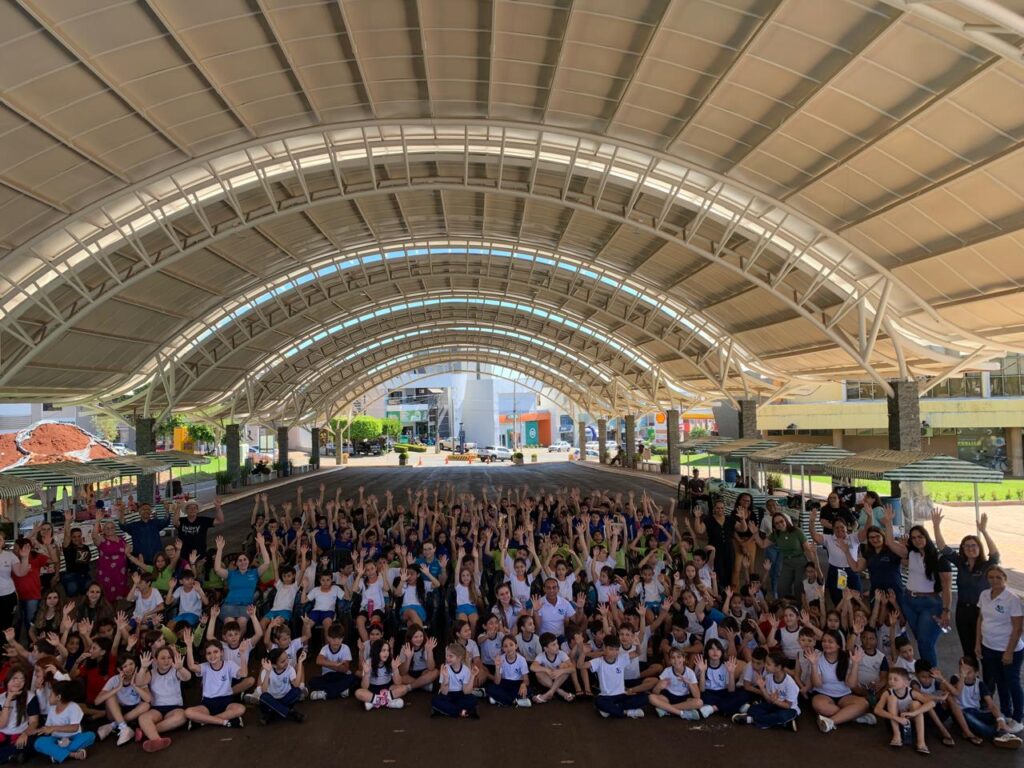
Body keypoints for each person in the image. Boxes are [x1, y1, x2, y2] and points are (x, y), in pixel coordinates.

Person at [932, 509, 1000, 660]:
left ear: (979, 547)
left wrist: (984, 531)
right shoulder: (961, 563)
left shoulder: (986, 566)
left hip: (981, 612)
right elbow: (943, 547)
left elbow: (995, 555)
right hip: (963, 611)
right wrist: (936, 526)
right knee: (968, 650)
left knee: (985, 648)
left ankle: (988, 674)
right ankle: (970, 674)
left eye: (974, 545)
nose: (970, 549)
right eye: (966, 546)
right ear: (962, 549)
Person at [976, 565, 1023, 732]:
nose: (994, 580)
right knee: (1000, 682)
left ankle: (1018, 718)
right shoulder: (984, 594)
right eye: (991, 577)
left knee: (1012, 682)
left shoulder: (1012, 599)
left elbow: (1017, 628)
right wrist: (978, 643)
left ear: (1005, 579)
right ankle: (1006, 713)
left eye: (998, 577)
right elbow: (981, 619)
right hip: (989, 647)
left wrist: (1009, 652)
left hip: (1009, 650)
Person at [900, 525, 952, 668]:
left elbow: (947, 587)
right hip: (909, 601)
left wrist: (946, 611)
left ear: (926, 537)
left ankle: (930, 675)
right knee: (922, 640)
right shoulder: (913, 554)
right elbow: (903, 561)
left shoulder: (939, 558)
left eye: (920, 537)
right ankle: (926, 673)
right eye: (913, 538)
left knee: (925, 642)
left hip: (930, 604)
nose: (917, 540)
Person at [182, 631, 246, 729]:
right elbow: (191, 666)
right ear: (206, 656)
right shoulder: (205, 667)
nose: (212, 656)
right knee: (188, 712)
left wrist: (242, 654)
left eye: (216, 652)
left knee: (241, 708)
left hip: (226, 702)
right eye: (209, 653)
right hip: (207, 703)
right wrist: (189, 646)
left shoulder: (229, 664)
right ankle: (225, 722)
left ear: (221, 652)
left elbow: (243, 673)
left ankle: (204, 721)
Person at [579, 635, 645, 719]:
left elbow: (638, 653)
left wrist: (638, 645)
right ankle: (627, 712)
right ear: (604, 648)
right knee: (599, 702)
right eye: (611, 649)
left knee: (645, 698)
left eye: (617, 650)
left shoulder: (622, 658)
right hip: (606, 696)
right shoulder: (598, 662)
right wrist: (583, 653)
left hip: (621, 695)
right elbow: (580, 666)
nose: (614, 653)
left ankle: (611, 709)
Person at [807, 509, 863, 607]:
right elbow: (814, 536)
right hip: (836, 572)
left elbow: (866, 531)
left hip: (851, 571)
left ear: (846, 528)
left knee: (857, 598)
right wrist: (812, 521)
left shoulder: (853, 538)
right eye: (836, 528)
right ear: (833, 529)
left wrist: (870, 517)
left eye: (842, 527)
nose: (839, 529)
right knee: (837, 599)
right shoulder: (828, 539)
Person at [31, 680, 95, 763]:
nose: (49, 696)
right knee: (38, 743)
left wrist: (53, 728)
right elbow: (48, 727)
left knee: (90, 735)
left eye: (51, 694)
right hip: (57, 739)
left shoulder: (74, 707)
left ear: (58, 697)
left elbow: (74, 728)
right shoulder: (52, 708)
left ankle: (57, 753)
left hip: (73, 738)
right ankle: (72, 754)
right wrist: (37, 730)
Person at [732, 652, 800, 730]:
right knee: (753, 709)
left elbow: (788, 705)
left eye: (768, 664)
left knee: (782, 716)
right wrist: (762, 688)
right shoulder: (769, 678)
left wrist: (775, 701)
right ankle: (783, 724)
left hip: (788, 709)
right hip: (774, 705)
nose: (765, 666)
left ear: (778, 667)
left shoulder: (789, 683)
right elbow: (768, 700)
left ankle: (751, 720)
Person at [873, 667, 935, 753]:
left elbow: (932, 703)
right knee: (892, 698)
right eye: (890, 679)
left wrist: (914, 713)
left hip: (910, 724)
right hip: (894, 723)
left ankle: (921, 742)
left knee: (916, 704)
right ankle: (897, 736)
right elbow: (877, 710)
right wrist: (896, 718)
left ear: (906, 683)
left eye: (895, 679)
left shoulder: (912, 692)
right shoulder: (888, 693)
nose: (891, 681)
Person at [258, 648, 307, 724]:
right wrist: (268, 672)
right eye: (283, 661)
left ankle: (272, 713)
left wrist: (300, 662)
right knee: (263, 697)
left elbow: (296, 684)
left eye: (287, 658)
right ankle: (290, 713)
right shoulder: (266, 670)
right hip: (271, 700)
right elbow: (264, 690)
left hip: (285, 698)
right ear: (274, 665)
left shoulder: (290, 669)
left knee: (297, 691)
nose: (287, 662)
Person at [60, 519, 92, 598]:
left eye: (78, 536)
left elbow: (86, 562)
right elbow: (66, 535)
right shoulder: (68, 547)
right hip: (71, 574)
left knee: (88, 588)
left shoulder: (85, 547)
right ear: (71, 537)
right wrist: (67, 522)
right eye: (74, 537)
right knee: (72, 589)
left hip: (84, 574)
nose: (77, 538)